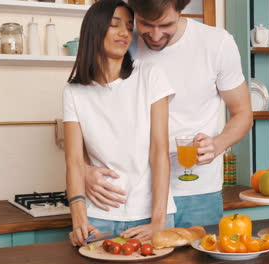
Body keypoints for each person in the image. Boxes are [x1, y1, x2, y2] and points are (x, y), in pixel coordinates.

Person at [84, 0, 253, 228]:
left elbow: (243, 113)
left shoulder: (217, 43)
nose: (155, 35)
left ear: (181, 10)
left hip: (197, 193)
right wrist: (85, 170)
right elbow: (90, 114)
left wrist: (218, 144)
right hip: (134, 193)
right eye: (145, 24)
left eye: (165, 25)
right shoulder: (121, 42)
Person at [64, 0, 176, 247]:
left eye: (128, 26)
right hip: (99, 216)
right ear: (95, 30)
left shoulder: (150, 76)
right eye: (115, 25)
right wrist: (79, 220)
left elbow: (159, 151)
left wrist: (158, 221)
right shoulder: (74, 91)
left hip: (151, 214)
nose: (125, 33)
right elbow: (73, 161)